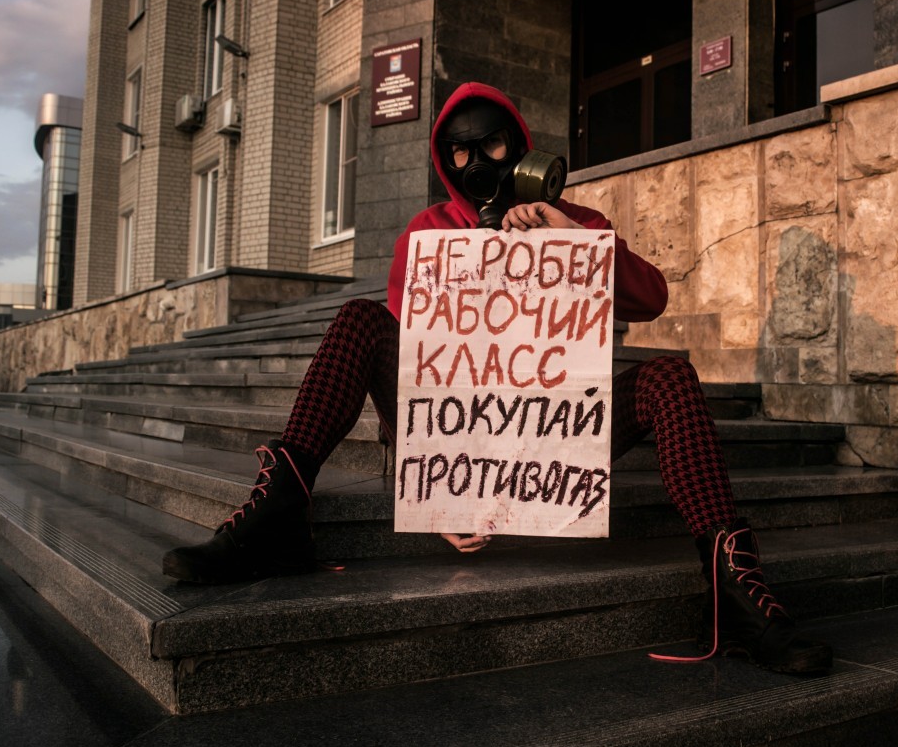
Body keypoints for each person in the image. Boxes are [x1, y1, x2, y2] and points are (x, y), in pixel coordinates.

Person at [162, 82, 831, 674]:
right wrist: (435, 489)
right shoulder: (426, 234)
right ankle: (279, 516)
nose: (477, 162)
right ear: (443, 161)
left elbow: (651, 297)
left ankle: (736, 595)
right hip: (465, 433)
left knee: (669, 376)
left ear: (522, 145)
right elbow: (415, 365)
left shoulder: (577, 222)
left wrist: (566, 236)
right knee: (361, 320)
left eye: (493, 144)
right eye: (459, 152)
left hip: (559, 433)